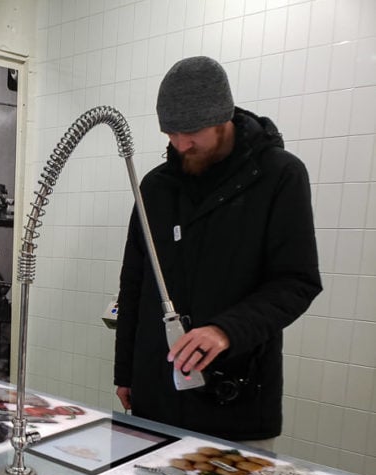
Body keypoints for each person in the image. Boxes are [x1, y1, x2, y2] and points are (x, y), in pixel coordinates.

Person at [113, 57, 322, 448]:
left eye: (191, 132)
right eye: (170, 133)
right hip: (155, 397)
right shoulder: (156, 188)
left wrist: (226, 330)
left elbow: (298, 281)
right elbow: (134, 282)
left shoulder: (279, 176)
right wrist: (125, 372)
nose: (180, 144)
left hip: (237, 400)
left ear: (222, 118)